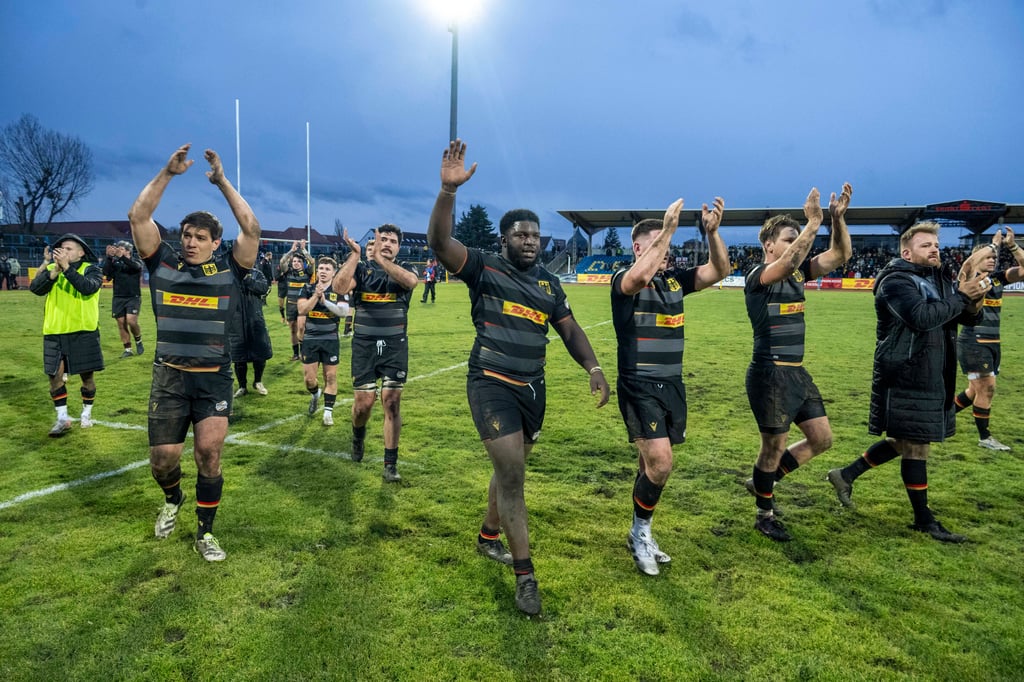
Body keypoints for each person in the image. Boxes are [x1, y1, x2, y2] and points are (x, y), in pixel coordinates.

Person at [427, 139, 610, 615]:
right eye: (521, 234)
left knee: (510, 471)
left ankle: (490, 536)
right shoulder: (484, 267)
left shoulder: (549, 284)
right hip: (491, 383)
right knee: (513, 477)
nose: (530, 240)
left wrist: (593, 367)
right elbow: (440, 244)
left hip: (534, 388)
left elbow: (569, 331)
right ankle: (525, 577)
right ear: (505, 239)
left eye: (535, 235)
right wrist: (448, 192)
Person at [127, 143, 261, 562]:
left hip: (213, 377)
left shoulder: (228, 268)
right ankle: (173, 495)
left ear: (214, 242)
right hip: (169, 376)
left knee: (208, 453)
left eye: (200, 237)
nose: (190, 242)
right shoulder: (161, 263)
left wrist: (222, 182)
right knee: (163, 461)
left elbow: (252, 229)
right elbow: (139, 217)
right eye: (186, 235)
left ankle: (205, 534)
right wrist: (167, 173)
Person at [827, 222, 990, 543]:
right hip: (905, 372)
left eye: (936, 245)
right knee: (916, 445)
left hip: (933, 372)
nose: (934, 249)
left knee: (909, 439)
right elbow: (921, 317)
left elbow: (968, 318)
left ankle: (845, 475)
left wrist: (973, 295)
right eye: (925, 245)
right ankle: (924, 519)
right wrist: (960, 296)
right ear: (906, 252)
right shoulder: (895, 281)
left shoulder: (939, 279)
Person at [612, 195, 728, 576]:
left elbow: (719, 270)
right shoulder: (623, 282)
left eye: (668, 247)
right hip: (639, 384)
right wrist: (668, 230)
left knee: (648, 463)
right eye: (659, 245)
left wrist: (711, 233)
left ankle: (641, 530)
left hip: (672, 385)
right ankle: (640, 532)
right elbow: (640, 276)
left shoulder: (675, 282)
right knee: (661, 463)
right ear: (638, 247)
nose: (666, 253)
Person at [743, 184, 853, 542]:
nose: (795, 244)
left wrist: (836, 220)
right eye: (788, 238)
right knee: (772, 447)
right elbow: (790, 260)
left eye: (797, 237)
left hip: (797, 373)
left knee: (821, 439)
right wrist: (814, 222)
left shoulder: (798, 274)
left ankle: (765, 481)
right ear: (768, 246)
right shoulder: (757, 278)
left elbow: (840, 254)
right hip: (769, 373)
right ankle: (764, 513)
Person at [333, 225, 417, 481]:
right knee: (363, 405)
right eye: (383, 239)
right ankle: (358, 436)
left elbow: (411, 282)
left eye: (392, 241)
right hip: (365, 346)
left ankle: (390, 465)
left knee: (391, 401)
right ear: (374, 241)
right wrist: (355, 255)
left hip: (394, 346)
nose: (388, 243)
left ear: (399, 246)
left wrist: (381, 258)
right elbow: (339, 287)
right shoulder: (361, 268)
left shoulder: (404, 268)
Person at [952, 228, 1024, 451]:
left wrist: (1012, 246)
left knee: (974, 391)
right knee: (987, 388)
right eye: (988, 257)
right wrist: (993, 245)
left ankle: (940, 416)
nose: (993, 260)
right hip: (974, 341)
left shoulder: (998, 280)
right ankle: (985, 438)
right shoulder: (969, 279)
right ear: (977, 259)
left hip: (993, 342)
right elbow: (967, 268)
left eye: (995, 257)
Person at [29, 234, 105, 436]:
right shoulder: (55, 271)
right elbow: (35, 289)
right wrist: (53, 271)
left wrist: (67, 268)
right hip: (54, 332)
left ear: (81, 253)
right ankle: (62, 418)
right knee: (54, 377)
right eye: (61, 248)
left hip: (82, 332)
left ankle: (86, 413)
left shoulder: (91, 269)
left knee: (86, 378)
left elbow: (87, 288)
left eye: (69, 249)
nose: (63, 252)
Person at [298, 256, 349, 426]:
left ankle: (328, 413)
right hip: (310, 339)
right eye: (321, 268)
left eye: (328, 269)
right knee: (309, 380)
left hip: (330, 340)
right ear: (317, 271)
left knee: (331, 376)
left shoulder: (340, 290)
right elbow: (302, 309)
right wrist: (316, 296)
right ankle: (315, 394)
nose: (324, 272)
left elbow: (343, 313)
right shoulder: (307, 288)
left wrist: (325, 301)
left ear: (334, 273)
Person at [230, 267, 273, 398]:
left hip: (255, 320)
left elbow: (263, 288)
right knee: (239, 357)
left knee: (260, 354)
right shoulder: (229, 274)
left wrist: (247, 279)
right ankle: (242, 386)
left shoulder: (257, 274)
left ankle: (258, 382)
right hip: (236, 321)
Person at [102, 240, 145, 358]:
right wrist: (109, 258)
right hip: (118, 297)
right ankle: (128, 349)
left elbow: (136, 268)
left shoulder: (136, 261)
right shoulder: (115, 263)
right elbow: (107, 274)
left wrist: (122, 258)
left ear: (128, 251)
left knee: (131, 321)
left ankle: (138, 340)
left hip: (133, 297)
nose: (117, 251)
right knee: (121, 323)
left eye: (120, 249)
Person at [279, 240, 314, 360]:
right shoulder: (288, 272)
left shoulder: (307, 273)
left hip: (303, 306)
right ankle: (295, 354)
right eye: (294, 261)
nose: (296, 263)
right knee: (293, 330)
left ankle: (304, 352)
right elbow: (282, 261)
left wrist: (304, 250)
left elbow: (313, 262)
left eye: (299, 261)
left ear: (303, 263)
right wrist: (291, 251)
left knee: (302, 328)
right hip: (291, 306)